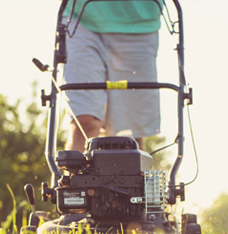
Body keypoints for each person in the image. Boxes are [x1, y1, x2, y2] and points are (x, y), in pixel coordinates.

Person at [62, 0, 162, 152]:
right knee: (83, 121)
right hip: (81, 15)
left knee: (128, 134)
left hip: (139, 22)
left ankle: (132, 175)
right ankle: (71, 175)